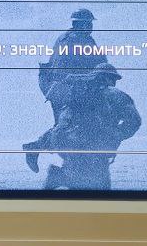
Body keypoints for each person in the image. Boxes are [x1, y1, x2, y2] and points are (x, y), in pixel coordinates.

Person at [24, 8, 106, 172]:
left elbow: (97, 62)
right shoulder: (74, 41)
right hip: (65, 91)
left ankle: (40, 149)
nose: (91, 27)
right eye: (88, 24)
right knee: (67, 128)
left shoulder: (75, 39)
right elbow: (74, 70)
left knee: (68, 127)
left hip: (66, 90)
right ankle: (40, 150)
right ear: (81, 24)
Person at [42, 62, 141, 190]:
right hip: (97, 149)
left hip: (72, 146)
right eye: (114, 79)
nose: (114, 82)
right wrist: (116, 134)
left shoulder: (78, 93)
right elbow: (134, 121)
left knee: (79, 182)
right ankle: (58, 176)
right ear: (108, 78)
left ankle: (59, 176)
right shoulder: (115, 95)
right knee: (99, 188)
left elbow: (63, 121)